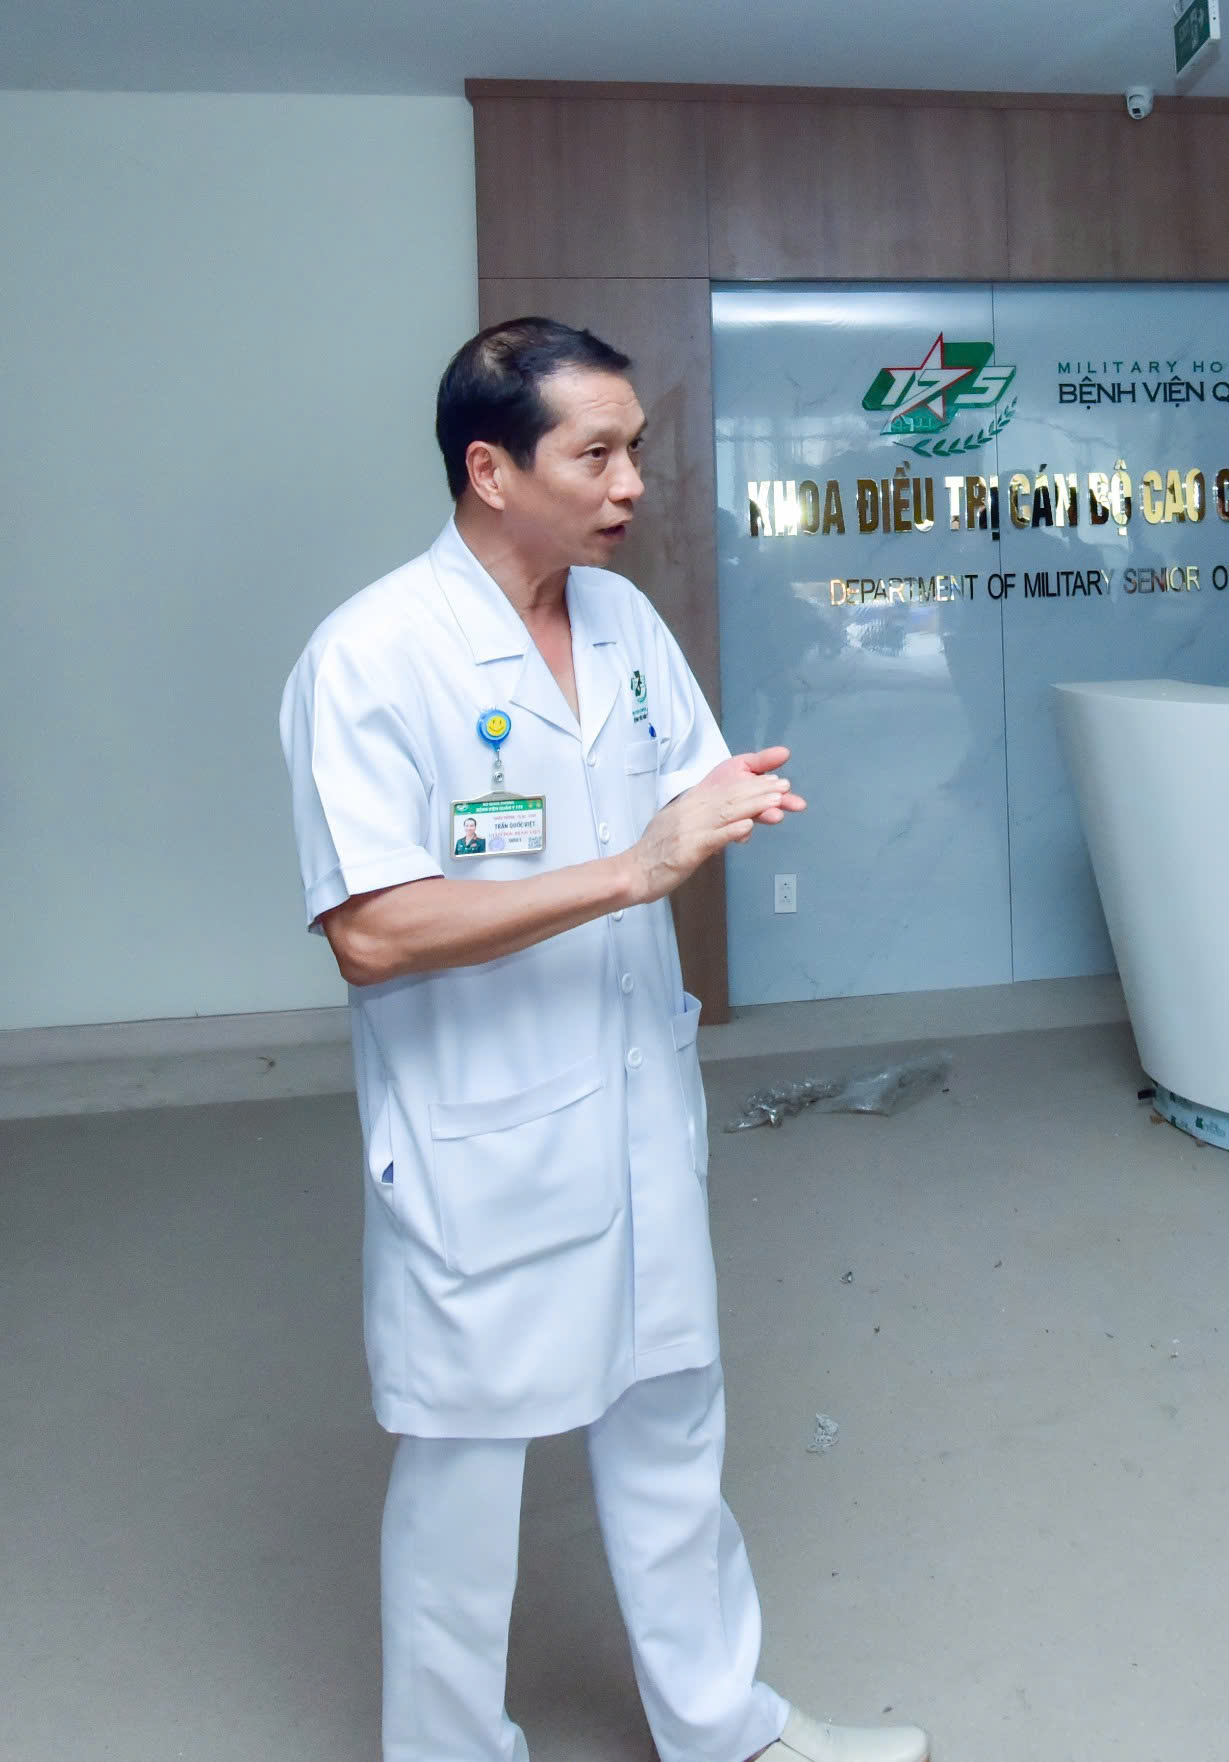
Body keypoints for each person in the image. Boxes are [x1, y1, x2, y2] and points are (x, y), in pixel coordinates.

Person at [279, 317, 927, 1762]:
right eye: (599, 453)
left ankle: (724, 1727)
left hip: (635, 1099)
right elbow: (372, 929)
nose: (634, 481)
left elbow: (683, 784)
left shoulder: (623, 621)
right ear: (490, 469)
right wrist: (634, 868)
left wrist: (721, 802)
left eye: (636, 448)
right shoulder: (371, 656)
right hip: (481, 1135)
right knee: (464, 1477)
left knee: (673, 1426)